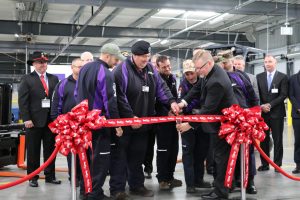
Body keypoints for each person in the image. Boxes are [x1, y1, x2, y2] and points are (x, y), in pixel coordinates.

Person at [110, 40, 179, 199]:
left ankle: (137, 186)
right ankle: (117, 189)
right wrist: (130, 117)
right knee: (120, 157)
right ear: (133, 55)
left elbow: (161, 88)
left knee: (138, 156)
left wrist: (171, 102)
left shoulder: (150, 69)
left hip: (143, 124)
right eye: (141, 56)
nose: (145, 59)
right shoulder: (121, 71)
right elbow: (119, 97)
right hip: (126, 124)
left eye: (147, 56)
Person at [177, 49, 237, 199]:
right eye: (195, 68)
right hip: (218, 124)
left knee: (221, 158)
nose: (197, 71)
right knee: (218, 157)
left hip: (225, 125)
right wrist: (183, 103)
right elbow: (197, 88)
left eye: (199, 68)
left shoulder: (216, 81)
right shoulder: (208, 72)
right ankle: (219, 188)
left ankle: (221, 192)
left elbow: (207, 110)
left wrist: (189, 125)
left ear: (209, 63)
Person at [76, 43, 124, 200]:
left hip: (84, 122)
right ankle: (95, 193)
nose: (116, 62)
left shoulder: (84, 69)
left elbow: (77, 94)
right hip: (99, 123)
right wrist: (116, 124)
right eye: (115, 59)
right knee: (100, 160)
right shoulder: (105, 73)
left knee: (86, 158)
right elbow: (110, 100)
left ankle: (85, 189)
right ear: (107, 56)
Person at [217, 50, 259, 194]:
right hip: (225, 122)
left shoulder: (241, 76)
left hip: (243, 121)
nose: (223, 64)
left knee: (248, 153)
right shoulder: (217, 77)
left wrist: (255, 115)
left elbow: (253, 97)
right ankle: (229, 182)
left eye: (226, 61)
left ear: (231, 62)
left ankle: (250, 182)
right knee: (227, 154)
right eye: (221, 62)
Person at [18, 51, 60, 187]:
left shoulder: (54, 79)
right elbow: (23, 101)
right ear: (34, 64)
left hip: (51, 121)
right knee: (33, 151)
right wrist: (26, 119)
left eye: (45, 62)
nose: (43, 64)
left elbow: (57, 99)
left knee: (50, 150)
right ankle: (32, 178)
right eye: (40, 62)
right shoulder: (27, 79)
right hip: (33, 122)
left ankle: (50, 176)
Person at [50, 58, 84, 194]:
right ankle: (73, 178)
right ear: (72, 67)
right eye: (78, 67)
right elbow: (56, 104)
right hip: (68, 127)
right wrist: (57, 122)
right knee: (72, 155)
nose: (81, 69)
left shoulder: (87, 83)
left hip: (85, 126)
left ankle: (84, 179)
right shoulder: (63, 84)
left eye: (83, 67)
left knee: (85, 155)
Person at [178, 59, 211, 194]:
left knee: (201, 153)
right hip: (187, 125)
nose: (190, 77)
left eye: (191, 73)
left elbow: (205, 101)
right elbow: (181, 102)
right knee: (188, 155)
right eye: (187, 74)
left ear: (197, 71)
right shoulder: (183, 85)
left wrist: (196, 110)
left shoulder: (204, 82)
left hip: (202, 124)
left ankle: (199, 180)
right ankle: (190, 184)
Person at [256, 55, 288, 172]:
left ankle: (277, 165)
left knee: (278, 139)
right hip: (263, 114)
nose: (267, 64)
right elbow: (256, 94)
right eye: (265, 62)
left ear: (275, 63)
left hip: (277, 113)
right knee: (263, 139)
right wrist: (261, 106)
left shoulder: (282, 77)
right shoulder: (259, 77)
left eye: (270, 61)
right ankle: (264, 164)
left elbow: (283, 95)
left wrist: (270, 105)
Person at [155, 55, 182, 190]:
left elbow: (174, 97)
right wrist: (165, 112)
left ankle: (170, 176)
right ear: (157, 67)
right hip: (161, 120)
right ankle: (162, 179)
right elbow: (156, 100)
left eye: (169, 66)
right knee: (163, 150)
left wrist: (176, 108)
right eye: (164, 67)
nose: (168, 69)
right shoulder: (156, 79)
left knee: (174, 149)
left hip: (172, 119)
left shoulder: (172, 78)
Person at [143, 54, 159, 179]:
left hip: (154, 118)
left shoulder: (156, 77)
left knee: (150, 144)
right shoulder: (144, 74)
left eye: (155, 63)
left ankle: (148, 168)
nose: (153, 65)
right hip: (141, 116)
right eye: (152, 62)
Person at [288, 69, 300, 174]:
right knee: (298, 141)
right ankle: (298, 165)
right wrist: (298, 108)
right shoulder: (292, 78)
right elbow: (291, 95)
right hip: (297, 115)